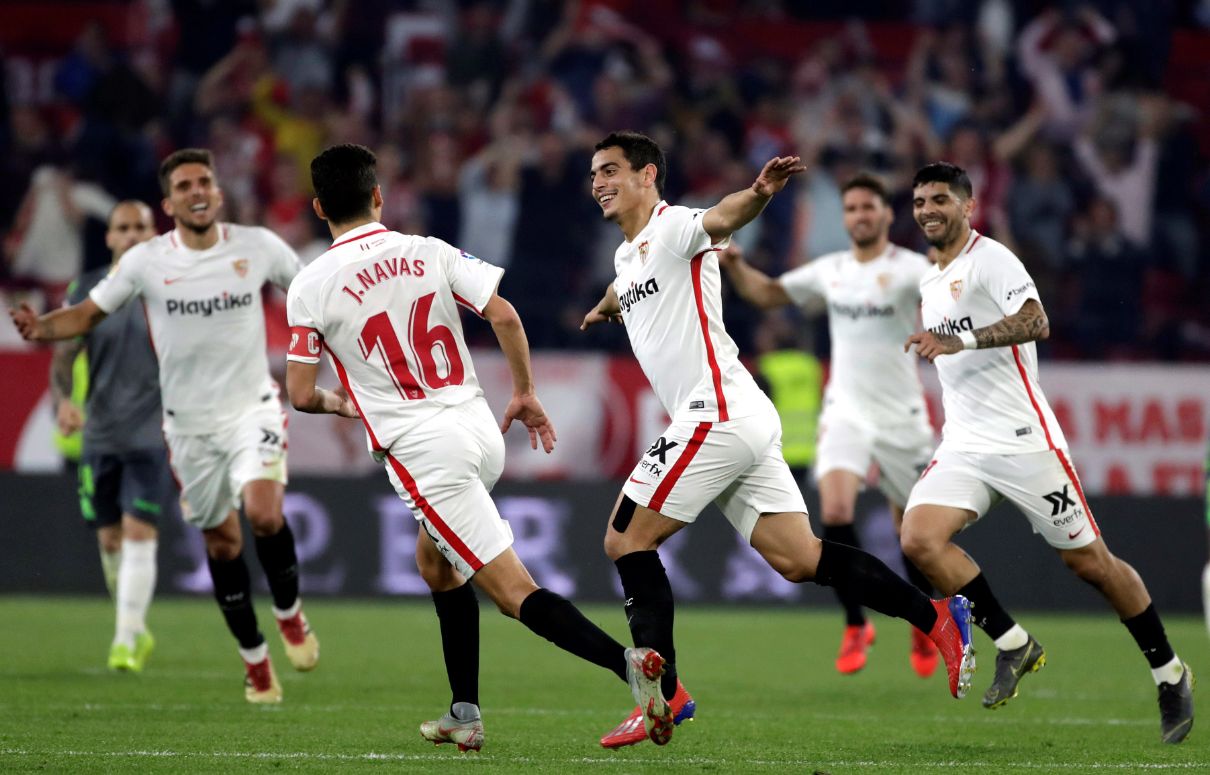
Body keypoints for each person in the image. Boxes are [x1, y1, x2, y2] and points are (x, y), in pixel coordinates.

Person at [580, 130, 976, 750]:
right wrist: (605, 306)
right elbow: (626, 287)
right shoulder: (625, 259)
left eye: (610, 170)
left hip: (714, 413)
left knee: (624, 539)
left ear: (647, 175)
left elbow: (721, 216)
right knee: (799, 558)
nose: (598, 183)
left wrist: (760, 193)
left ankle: (663, 694)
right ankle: (938, 617)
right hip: (742, 416)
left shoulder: (675, 226)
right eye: (594, 174)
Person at [285, 143, 671, 752]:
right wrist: (524, 393)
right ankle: (463, 713)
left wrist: (344, 403)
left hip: (424, 455)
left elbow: (302, 394)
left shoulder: (310, 284)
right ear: (378, 196)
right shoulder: (428, 250)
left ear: (318, 208)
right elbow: (506, 316)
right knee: (436, 564)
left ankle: (631, 666)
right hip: (479, 430)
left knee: (514, 594)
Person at [10, 149, 318, 704]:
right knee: (222, 544)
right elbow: (87, 314)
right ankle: (254, 658)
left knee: (265, 514)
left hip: (251, 409)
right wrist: (42, 328)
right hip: (187, 429)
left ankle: (290, 613)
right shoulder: (146, 262)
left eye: (204, 181)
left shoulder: (257, 246)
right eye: (184, 185)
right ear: (169, 203)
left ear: (217, 193)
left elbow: (313, 293)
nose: (196, 191)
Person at [901, 161, 1194, 744]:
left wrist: (961, 340)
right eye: (919, 201)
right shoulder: (931, 279)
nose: (927, 210)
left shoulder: (992, 259)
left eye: (939, 199)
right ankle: (1014, 644)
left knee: (1092, 565)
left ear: (968, 205)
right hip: (964, 444)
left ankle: (1169, 672)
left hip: (1024, 441)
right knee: (919, 540)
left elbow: (1037, 321)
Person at [718, 172, 940, 677]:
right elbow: (768, 294)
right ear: (844, 218)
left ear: (887, 214)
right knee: (835, 510)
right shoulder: (832, 270)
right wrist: (735, 265)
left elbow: (952, 292)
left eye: (868, 207)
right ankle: (856, 621)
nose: (860, 215)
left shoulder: (912, 268)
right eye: (852, 208)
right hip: (845, 411)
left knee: (911, 534)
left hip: (902, 414)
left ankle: (924, 620)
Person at [49, 200, 165, 672]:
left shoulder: (171, 288)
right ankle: (132, 624)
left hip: (153, 434)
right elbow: (64, 355)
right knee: (112, 540)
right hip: (100, 434)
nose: (133, 234)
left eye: (141, 227)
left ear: (154, 234)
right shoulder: (86, 289)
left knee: (138, 531)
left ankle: (125, 639)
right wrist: (64, 400)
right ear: (110, 237)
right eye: (124, 227)